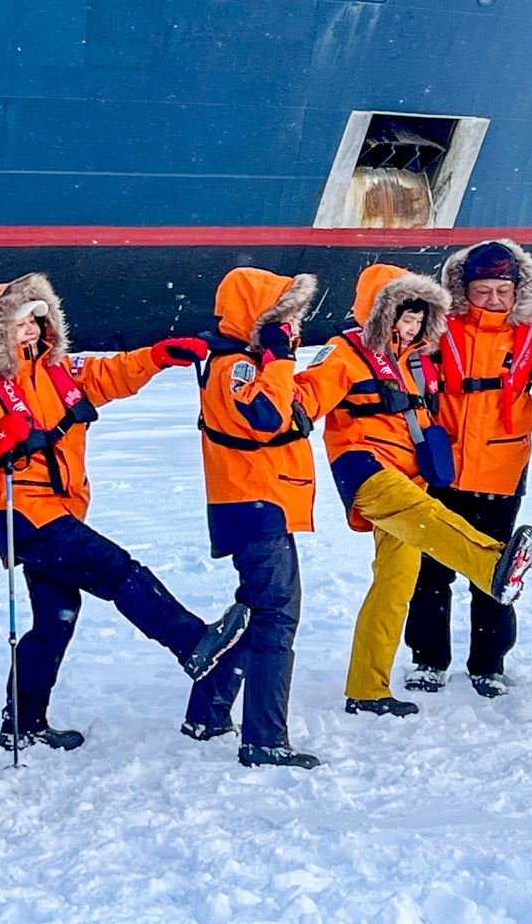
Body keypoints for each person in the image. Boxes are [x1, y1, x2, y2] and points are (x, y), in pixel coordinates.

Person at [0, 272, 251, 751]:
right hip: (23, 513)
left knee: (56, 616)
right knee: (116, 569)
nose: (30, 329)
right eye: (18, 322)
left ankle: (24, 723)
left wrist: (157, 357)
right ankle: (192, 643)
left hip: (61, 508)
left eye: (35, 319)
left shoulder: (58, 371)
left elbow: (111, 374)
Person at [294, 263, 532, 717]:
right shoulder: (344, 352)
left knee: (395, 583)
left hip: (409, 473)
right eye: (402, 317)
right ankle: (492, 565)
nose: (409, 327)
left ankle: (367, 689)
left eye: (417, 319)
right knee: (430, 517)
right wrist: (287, 398)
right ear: (379, 313)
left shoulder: (413, 361)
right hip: (365, 466)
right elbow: (308, 393)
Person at [182, 267, 322, 769]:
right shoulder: (236, 366)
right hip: (256, 504)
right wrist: (280, 360)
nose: (293, 328)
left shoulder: (239, 362)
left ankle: (208, 711)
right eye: (285, 318)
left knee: (257, 611)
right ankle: (264, 738)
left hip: (255, 503)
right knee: (276, 619)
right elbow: (265, 417)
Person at [404, 241, 532, 698]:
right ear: (462, 289)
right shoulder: (438, 329)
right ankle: (428, 660)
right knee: (431, 570)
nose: (492, 299)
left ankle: (489, 664)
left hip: (501, 469)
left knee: (495, 570)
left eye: (502, 290)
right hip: (441, 468)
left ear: (518, 290)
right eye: (482, 290)